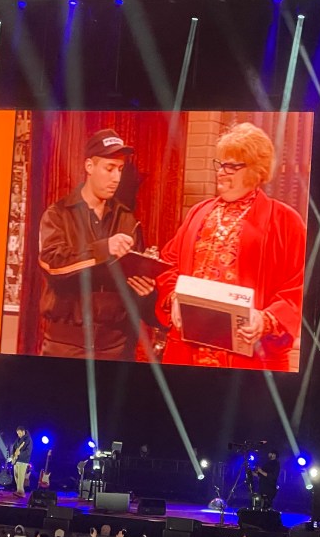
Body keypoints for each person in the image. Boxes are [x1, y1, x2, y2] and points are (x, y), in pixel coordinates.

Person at [155, 122, 306, 370]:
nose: (221, 172)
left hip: (247, 359)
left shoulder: (285, 221)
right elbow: (168, 264)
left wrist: (265, 319)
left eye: (232, 166)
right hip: (188, 350)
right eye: (221, 164)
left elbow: (298, 286)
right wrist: (174, 298)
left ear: (256, 170)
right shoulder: (198, 212)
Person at [37, 128, 157, 360]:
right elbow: (53, 267)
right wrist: (104, 248)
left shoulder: (127, 219)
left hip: (115, 346)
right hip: (66, 345)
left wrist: (146, 291)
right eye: (109, 168)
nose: (116, 178)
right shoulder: (58, 214)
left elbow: (133, 281)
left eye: (120, 169)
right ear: (89, 166)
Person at [9, 425, 33, 498]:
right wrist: (12, 455)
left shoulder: (28, 439)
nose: (18, 435)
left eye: (19, 433)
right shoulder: (18, 439)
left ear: (23, 431)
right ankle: (18, 490)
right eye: (17, 433)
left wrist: (20, 453)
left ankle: (21, 492)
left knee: (21, 477)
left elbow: (28, 452)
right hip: (16, 460)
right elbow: (14, 447)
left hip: (23, 460)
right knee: (16, 475)